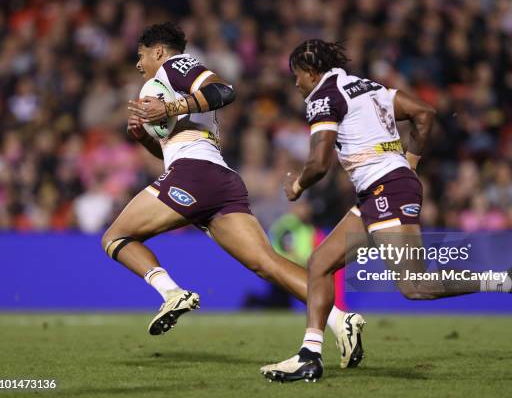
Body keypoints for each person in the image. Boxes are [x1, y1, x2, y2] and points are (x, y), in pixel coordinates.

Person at [260, 39, 512, 383]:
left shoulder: (324, 96)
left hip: (385, 189)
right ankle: (310, 354)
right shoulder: (365, 86)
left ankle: (510, 279)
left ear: (310, 72)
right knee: (320, 264)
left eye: (296, 75)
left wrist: (297, 186)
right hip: (379, 189)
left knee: (415, 285)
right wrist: (409, 165)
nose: (295, 83)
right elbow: (424, 113)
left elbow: (320, 162)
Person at [101, 23, 365, 367]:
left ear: (158, 52)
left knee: (115, 236)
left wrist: (167, 110)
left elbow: (224, 91)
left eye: (140, 56)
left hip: (195, 175)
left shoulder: (175, 66)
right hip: (215, 178)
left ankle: (172, 293)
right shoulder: (169, 85)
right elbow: (178, 145)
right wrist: (145, 138)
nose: (138, 65)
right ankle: (340, 319)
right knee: (267, 264)